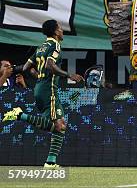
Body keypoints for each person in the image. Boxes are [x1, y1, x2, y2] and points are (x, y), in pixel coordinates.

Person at [2, 19, 84, 168]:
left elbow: (27, 68)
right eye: (60, 28)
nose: (62, 31)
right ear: (55, 31)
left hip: (40, 88)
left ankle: (50, 162)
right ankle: (20, 115)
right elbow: (50, 65)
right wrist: (68, 75)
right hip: (49, 89)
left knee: (61, 125)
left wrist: (16, 70)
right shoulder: (55, 45)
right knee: (59, 126)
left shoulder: (40, 47)